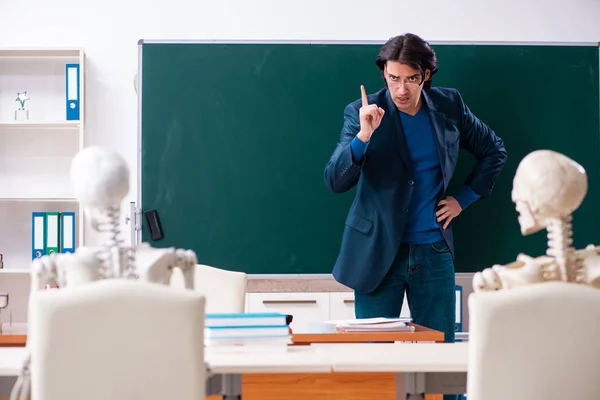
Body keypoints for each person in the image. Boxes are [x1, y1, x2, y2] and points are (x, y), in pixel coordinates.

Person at [324, 33, 508, 346]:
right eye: (393, 77)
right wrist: (364, 136)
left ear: (427, 75)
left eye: (411, 79)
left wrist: (463, 199)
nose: (401, 89)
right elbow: (335, 180)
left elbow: (494, 151)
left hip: (433, 251)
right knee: (374, 361)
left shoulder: (449, 106)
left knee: (438, 355)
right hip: (377, 253)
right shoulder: (362, 111)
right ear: (384, 71)